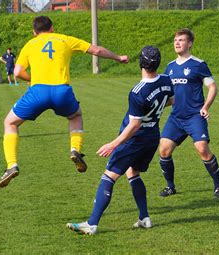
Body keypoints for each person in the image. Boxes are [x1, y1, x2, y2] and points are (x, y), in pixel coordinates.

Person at [0, 16, 129, 188]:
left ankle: (11, 165)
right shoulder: (65, 39)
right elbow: (96, 50)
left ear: (34, 32)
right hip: (62, 91)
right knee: (75, 116)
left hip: (38, 92)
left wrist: (32, 80)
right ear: (52, 28)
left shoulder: (30, 44)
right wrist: (118, 57)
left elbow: (17, 71)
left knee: (10, 122)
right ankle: (75, 148)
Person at [66, 46, 174, 235]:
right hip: (152, 136)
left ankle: (92, 224)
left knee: (109, 176)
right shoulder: (166, 80)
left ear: (141, 63)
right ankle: (144, 217)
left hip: (134, 139)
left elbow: (134, 125)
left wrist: (113, 144)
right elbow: (170, 100)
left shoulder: (137, 92)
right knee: (133, 173)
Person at [159, 28, 219, 198]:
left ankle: (218, 186)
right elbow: (169, 95)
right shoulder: (170, 67)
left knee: (202, 149)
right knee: (164, 150)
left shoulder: (198, 64)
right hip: (176, 117)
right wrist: (157, 105)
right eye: (175, 40)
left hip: (194, 116)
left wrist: (205, 107)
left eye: (181, 40)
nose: (177, 43)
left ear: (189, 44)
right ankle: (170, 187)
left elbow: (212, 87)